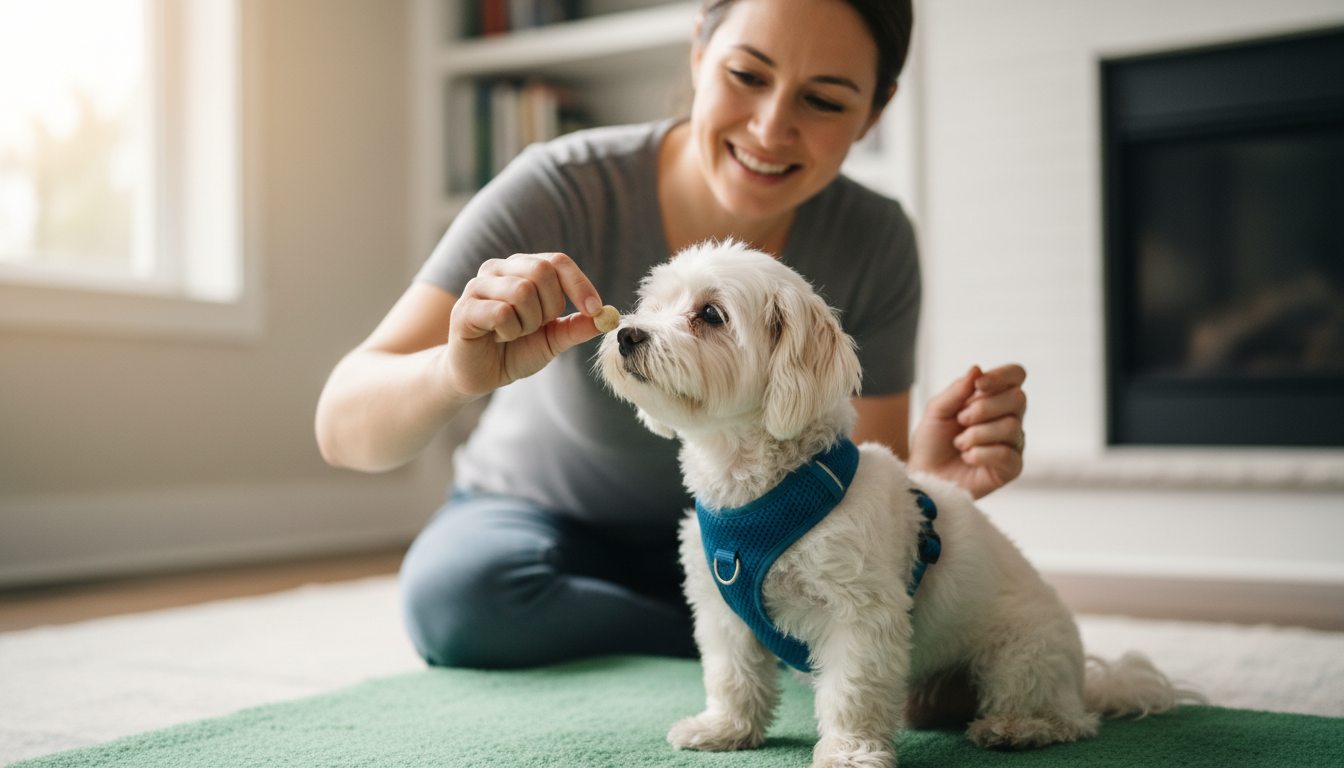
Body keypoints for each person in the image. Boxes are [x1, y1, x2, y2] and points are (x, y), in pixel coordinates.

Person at [315, 0, 1026, 673]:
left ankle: (732, 630)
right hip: (539, 523)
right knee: (459, 598)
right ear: (698, 50)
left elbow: (853, 515)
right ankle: (723, 638)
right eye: (747, 75)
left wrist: (929, 486)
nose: (772, 127)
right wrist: (454, 373)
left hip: (759, 533)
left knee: (835, 606)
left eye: (824, 100)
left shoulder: (875, 240)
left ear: (876, 111)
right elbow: (342, 428)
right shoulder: (562, 186)